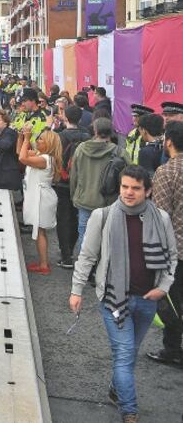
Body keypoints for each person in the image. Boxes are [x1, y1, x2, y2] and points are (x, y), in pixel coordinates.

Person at [69, 165, 177, 422]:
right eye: (124, 187)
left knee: (128, 353)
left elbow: (172, 256)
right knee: (126, 352)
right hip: (113, 299)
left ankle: (117, 390)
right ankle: (129, 411)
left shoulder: (161, 218)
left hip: (148, 299)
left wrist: (163, 287)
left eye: (136, 188)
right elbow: (87, 256)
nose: (129, 193)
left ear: (148, 191)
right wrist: (77, 290)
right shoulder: (102, 216)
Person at [148, 121, 183, 368]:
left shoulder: (167, 171)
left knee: (173, 300)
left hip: (176, 250)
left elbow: (161, 215)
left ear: (169, 141)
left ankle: (172, 349)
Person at [70, 118, 126, 257]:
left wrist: (74, 196)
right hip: (108, 202)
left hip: (84, 199)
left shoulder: (81, 148)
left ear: (95, 131)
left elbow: (74, 176)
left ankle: (84, 267)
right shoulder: (120, 152)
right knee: (106, 236)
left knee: (84, 233)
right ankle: (100, 267)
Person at [19, 128, 62, 274]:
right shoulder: (41, 155)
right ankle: (42, 263)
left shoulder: (44, 159)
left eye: (41, 139)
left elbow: (22, 159)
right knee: (38, 230)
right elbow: (20, 152)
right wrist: (21, 137)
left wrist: (26, 139)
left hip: (42, 198)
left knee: (40, 230)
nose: (37, 141)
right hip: (39, 196)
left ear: (49, 143)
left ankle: (44, 265)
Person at [56, 105, 91, 269]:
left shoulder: (60, 136)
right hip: (81, 182)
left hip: (62, 182)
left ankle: (66, 255)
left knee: (63, 217)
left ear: (66, 117)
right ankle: (72, 247)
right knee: (77, 216)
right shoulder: (87, 136)